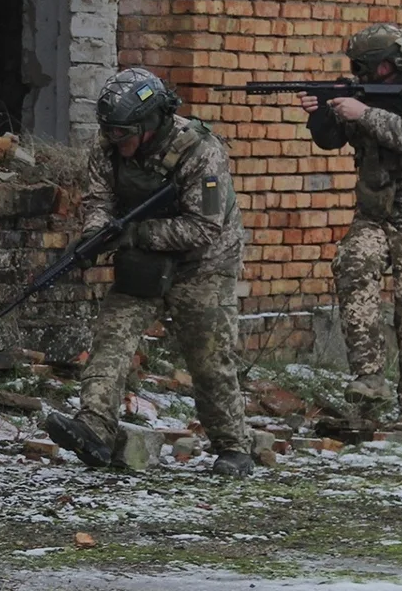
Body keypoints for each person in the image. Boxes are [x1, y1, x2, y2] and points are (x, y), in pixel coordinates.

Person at [43, 68, 255, 477]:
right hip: (144, 258)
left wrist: (135, 233)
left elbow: (204, 227)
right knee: (111, 336)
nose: (115, 141)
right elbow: (99, 200)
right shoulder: (106, 145)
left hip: (204, 262)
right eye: (111, 132)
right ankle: (95, 427)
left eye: (124, 133)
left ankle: (233, 445)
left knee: (209, 353)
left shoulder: (201, 151)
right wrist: (95, 235)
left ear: (150, 122)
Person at [301, 24, 402, 425]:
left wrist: (363, 112)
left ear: (386, 67)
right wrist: (322, 114)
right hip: (377, 213)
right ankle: (369, 377)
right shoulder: (362, 92)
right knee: (353, 266)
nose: (357, 72)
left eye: (364, 66)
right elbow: (331, 140)